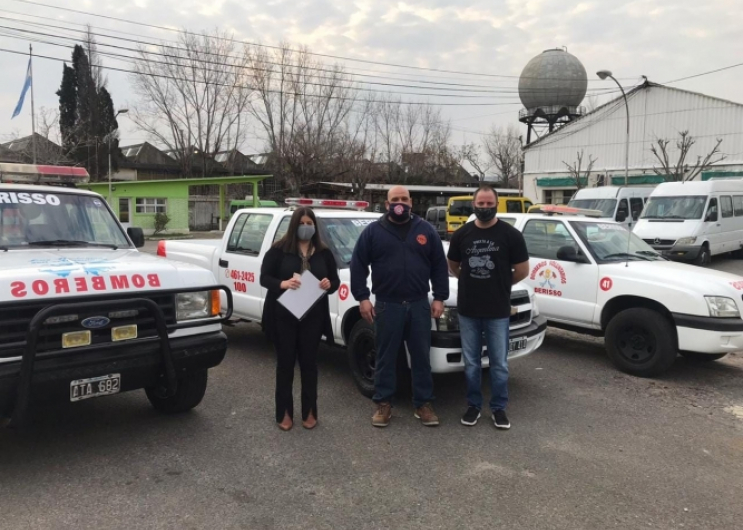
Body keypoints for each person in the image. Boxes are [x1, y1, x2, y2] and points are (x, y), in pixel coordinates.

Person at [350, 185, 449, 428]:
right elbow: (358, 264)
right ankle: (383, 404)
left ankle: (423, 404)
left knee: (421, 357)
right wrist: (362, 297)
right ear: (386, 204)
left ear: (411, 202)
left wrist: (439, 297)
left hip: (418, 305)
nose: (400, 203)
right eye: (395, 199)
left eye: (404, 199)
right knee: (385, 356)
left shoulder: (425, 230)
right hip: (387, 305)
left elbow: (438, 265)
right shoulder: (373, 232)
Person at [446, 185, 530, 430]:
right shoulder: (462, 234)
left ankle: (498, 408)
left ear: (496, 204)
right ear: (474, 205)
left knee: (499, 363)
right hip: (468, 310)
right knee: (471, 363)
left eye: (489, 203)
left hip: (497, 310)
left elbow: (523, 270)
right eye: (480, 204)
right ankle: (473, 405)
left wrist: (501, 282)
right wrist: (471, 280)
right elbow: (454, 265)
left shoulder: (511, 235)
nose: (484, 208)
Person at [260, 207, 340, 431]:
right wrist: (283, 284)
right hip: (283, 315)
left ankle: (310, 411)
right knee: (285, 364)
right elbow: (264, 278)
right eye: (302, 223)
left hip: (313, 317)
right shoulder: (278, 250)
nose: (307, 227)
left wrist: (328, 284)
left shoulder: (324, 252)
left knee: (309, 365)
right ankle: (284, 413)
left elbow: (335, 281)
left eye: (310, 223)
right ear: (295, 225)